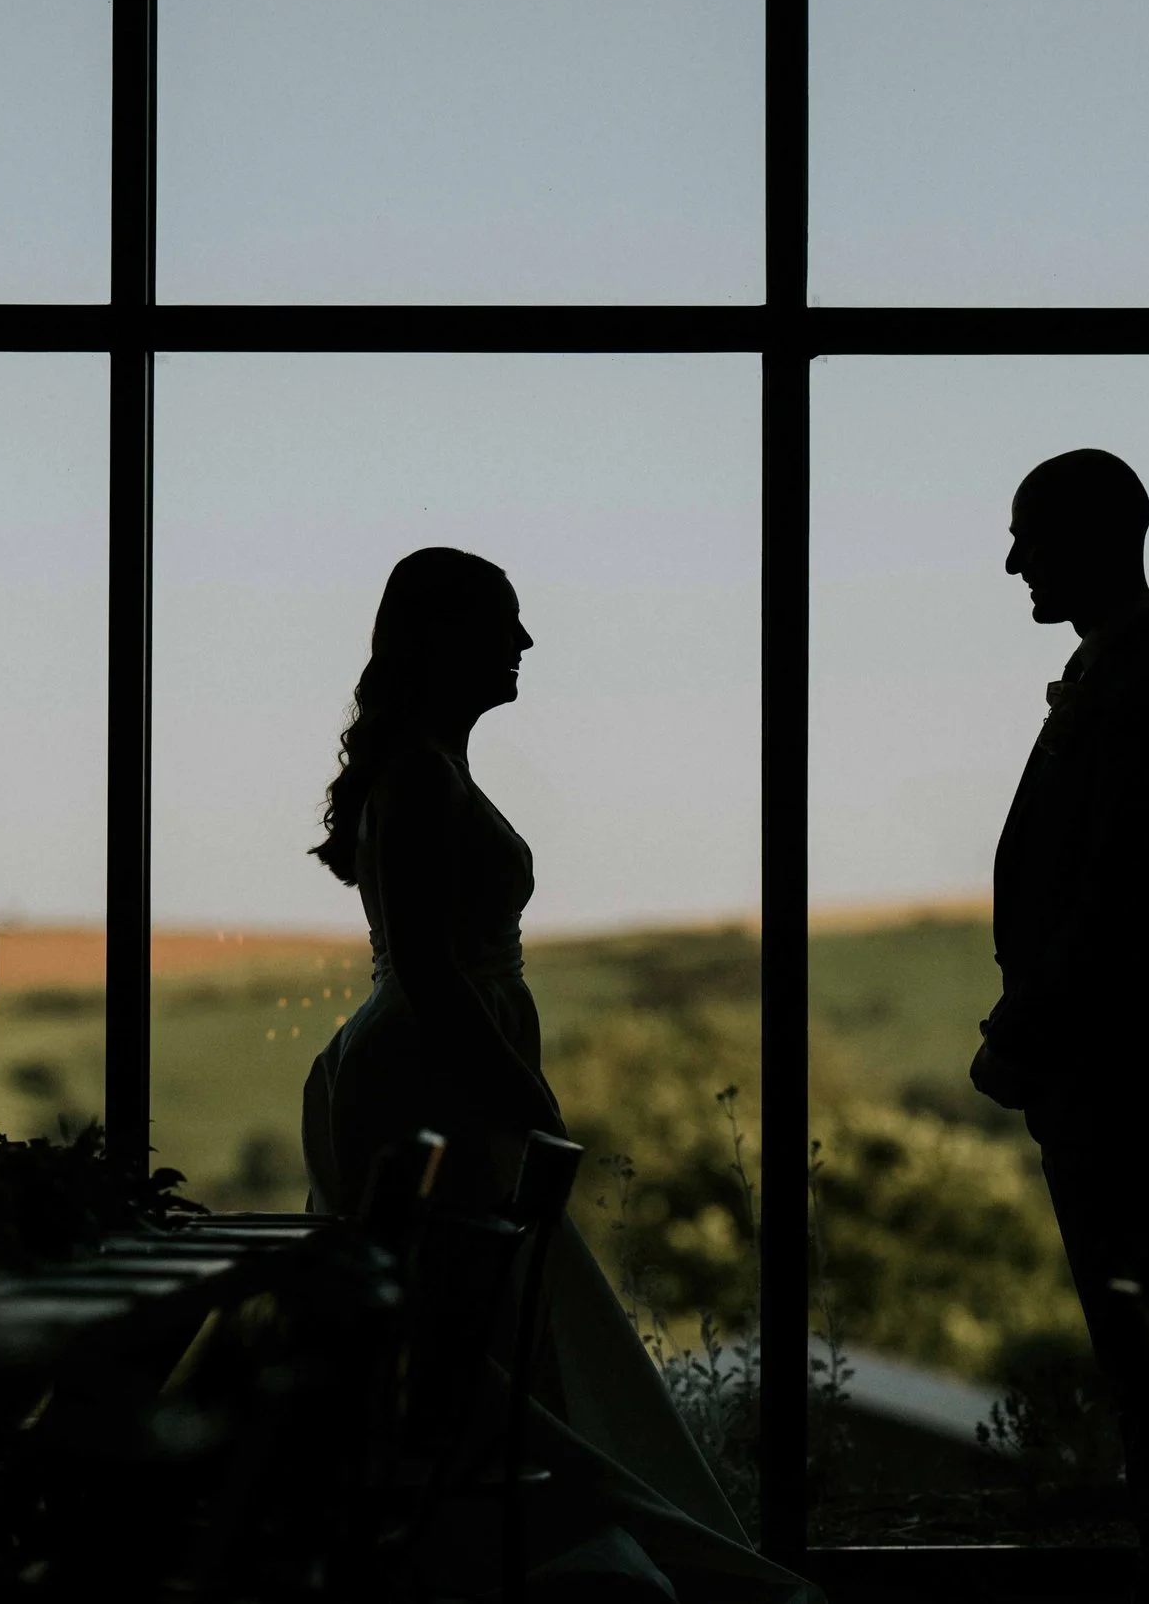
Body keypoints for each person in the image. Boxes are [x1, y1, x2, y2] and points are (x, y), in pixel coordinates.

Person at [301, 547, 820, 1603]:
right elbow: (436, 969)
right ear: (441, 637)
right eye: (505, 621)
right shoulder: (415, 774)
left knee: (484, 1322)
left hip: (439, 1069)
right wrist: (518, 1090)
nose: (525, 643)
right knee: (464, 1330)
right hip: (429, 1081)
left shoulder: (429, 764)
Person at [970, 450, 1149, 1596]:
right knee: (1148, 1364)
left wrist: (1019, 1035)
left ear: (1094, 535)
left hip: (1113, 1078)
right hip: (1111, 1075)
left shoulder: (1143, 686)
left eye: (1030, 531)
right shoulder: (1131, 674)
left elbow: (1116, 899)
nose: (1014, 556)